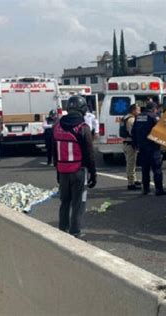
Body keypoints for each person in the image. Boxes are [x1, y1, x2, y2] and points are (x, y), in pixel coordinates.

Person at [53, 95, 97, 237]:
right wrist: (93, 173)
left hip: (62, 170)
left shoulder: (57, 126)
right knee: (78, 203)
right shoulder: (83, 128)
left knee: (64, 201)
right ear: (83, 109)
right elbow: (89, 154)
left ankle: (62, 229)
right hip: (78, 171)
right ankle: (75, 231)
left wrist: (58, 171)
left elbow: (54, 152)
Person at [132, 101, 166, 196]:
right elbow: (161, 130)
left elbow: (133, 132)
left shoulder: (138, 117)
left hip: (142, 148)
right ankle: (159, 190)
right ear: (154, 109)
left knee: (145, 169)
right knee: (157, 169)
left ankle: (146, 189)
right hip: (153, 147)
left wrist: (135, 144)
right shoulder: (154, 117)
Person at [120, 103, 141, 190]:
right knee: (131, 164)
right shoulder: (131, 120)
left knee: (131, 163)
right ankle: (131, 183)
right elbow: (132, 133)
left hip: (125, 143)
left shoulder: (125, 117)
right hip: (130, 144)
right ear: (133, 111)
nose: (139, 111)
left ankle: (134, 179)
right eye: (138, 110)